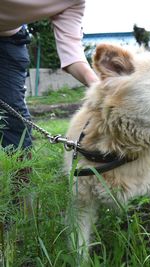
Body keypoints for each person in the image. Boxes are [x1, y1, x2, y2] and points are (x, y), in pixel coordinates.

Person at [0, 1, 99, 208]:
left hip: (7, 40)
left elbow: (72, 53)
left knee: (15, 123)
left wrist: (100, 87)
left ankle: (20, 211)